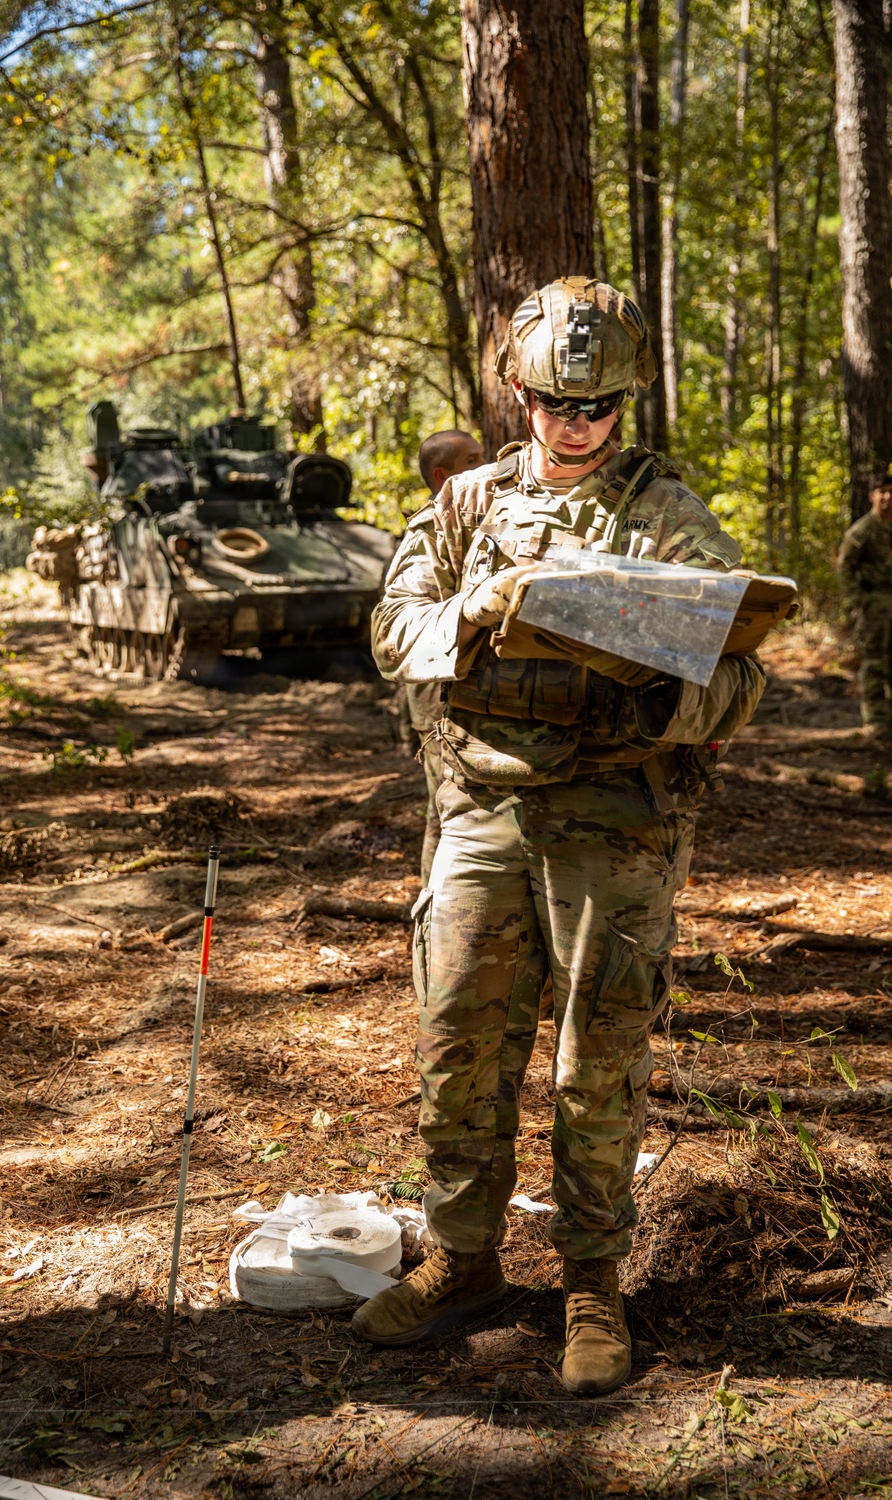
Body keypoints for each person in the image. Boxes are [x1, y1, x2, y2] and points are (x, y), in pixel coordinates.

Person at [356, 277, 766, 1396]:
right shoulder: (463, 505)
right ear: (517, 395)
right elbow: (392, 630)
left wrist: (653, 700)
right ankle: (466, 1258)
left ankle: (593, 1281)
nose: (571, 424)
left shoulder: (666, 514)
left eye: (594, 407)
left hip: (611, 822)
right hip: (482, 809)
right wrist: (471, 616)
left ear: (627, 404)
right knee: (458, 1044)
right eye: (549, 401)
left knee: (597, 1059)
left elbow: (742, 669)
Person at [407, 431, 484, 882]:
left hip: (459, 697)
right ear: (443, 475)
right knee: (446, 814)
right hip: (440, 700)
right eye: (472, 459)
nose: (486, 463)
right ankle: (433, 914)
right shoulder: (429, 533)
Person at [837, 472, 892, 736]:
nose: (887, 497)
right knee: (874, 661)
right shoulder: (861, 531)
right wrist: (860, 601)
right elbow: (844, 568)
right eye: (882, 492)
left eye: (891, 492)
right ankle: (876, 720)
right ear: (872, 496)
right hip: (875, 607)